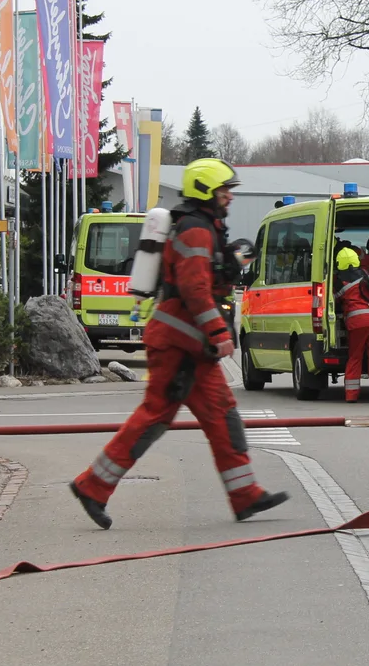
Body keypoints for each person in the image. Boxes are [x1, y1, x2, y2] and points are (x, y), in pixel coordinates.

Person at [69, 158, 290, 529]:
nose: (229, 197)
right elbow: (193, 288)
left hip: (190, 345)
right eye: (224, 191)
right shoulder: (195, 231)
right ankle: (92, 485)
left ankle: (245, 494)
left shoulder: (204, 227)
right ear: (206, 190)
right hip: (177, 343)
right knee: (155, 416)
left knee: (222, 414)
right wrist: (219, 332)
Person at [334, 246, 369, 403]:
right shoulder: (366, 275)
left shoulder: (339, 282)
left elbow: (334, 301)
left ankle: (351, 395)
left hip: (357, 324)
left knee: (355, 357)